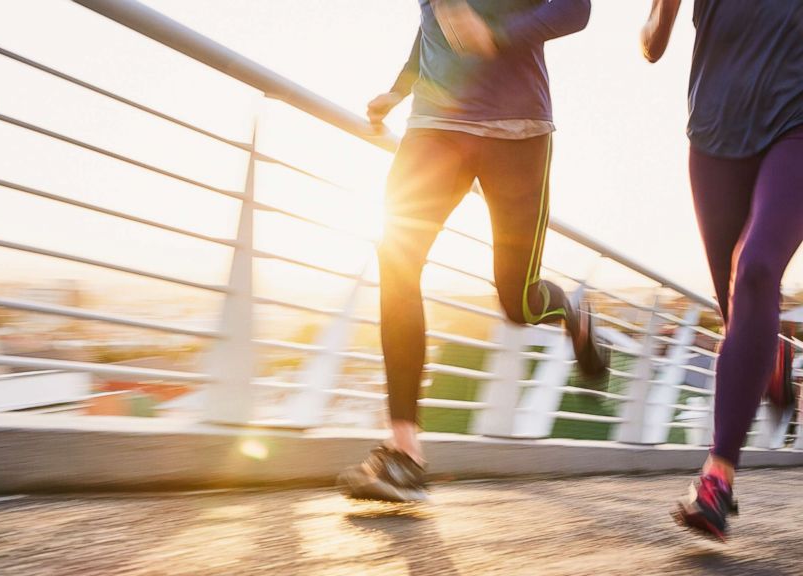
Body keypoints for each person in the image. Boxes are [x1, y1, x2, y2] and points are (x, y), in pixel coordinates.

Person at [337, 0, 603, 503]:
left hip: (517, 133)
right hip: (434, 127)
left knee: (517, 300)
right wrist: (397, 90)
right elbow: (432, 23)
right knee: (396, 260)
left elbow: (577, 8)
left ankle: (571, 313)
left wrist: (497, 35)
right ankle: (404, 452)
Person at [642, 0, 803, 540]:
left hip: (796, 125)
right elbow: (651, 45)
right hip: (715, 130)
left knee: (756, 267)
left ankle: (717, 479)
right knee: (738, 309)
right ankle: (768, 353)